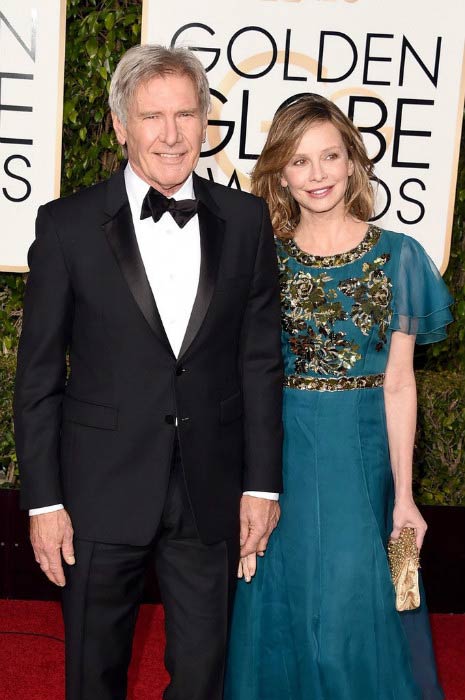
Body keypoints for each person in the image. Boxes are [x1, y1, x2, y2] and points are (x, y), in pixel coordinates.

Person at [13, 44, 284, 700]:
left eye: (185, 115)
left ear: (204, 123)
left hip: (210, 486)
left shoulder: (245, 221)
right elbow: (39, 375)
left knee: (200, 676)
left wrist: (262, 485)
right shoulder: (67, 226)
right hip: (97, 491)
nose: (170, 134)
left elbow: (260, 361)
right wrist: (44, 501)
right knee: (92, 673)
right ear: (119, 125)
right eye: (152, 116)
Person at [224, 93, 453, 699]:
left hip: (361, 456)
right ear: (280, 171)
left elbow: (400, 384)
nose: (317, 174)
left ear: (352, 161)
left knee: (358, 607)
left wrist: (405, 498)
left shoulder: (397, 256)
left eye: (329, 156)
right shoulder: (263, 258)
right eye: (299, 161)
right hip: (283, 452)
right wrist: (249, 484)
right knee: (284, 600)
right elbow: (246, 376)